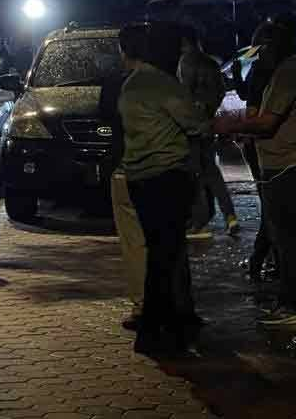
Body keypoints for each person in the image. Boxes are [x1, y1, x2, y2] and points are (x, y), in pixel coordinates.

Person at [214, 18, 296, 326]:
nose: (258, 58)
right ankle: (288, 300)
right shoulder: (284, 71)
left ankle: (293, 306)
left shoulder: (289, 73)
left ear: (273, 47)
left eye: (261, 52)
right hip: (280, 162)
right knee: (281, 233)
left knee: (284, 236)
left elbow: (267, 122)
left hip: (287, 163)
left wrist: (228, 124)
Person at [119, 23, 209, 354]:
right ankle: (157, 331)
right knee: (166, 254)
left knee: (159, 251)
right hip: (167, 177)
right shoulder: (163, 84)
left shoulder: (130, 86)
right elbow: (195, 123)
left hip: (138, 177)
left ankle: (160, 325)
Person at [100, 25, 148, 331]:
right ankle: (169, 302)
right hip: (161, 170)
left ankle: (143, 305)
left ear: (122, 50)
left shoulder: (117, 83)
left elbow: (106, 115)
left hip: (125, 167)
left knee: (133, 241)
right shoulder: (164, 82)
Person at [178, 26, 237, 237]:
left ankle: (199, 222)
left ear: (185, 41)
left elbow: (184, 94)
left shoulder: (185, 62)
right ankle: (230, 216)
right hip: (208, 124)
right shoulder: (211, 63)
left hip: (192, 127)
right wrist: (209, 110)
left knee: (195, 174)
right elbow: (220, 91)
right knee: (212, 172)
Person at [232, 21, 279, 281]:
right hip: (266, 143)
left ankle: (261, 259)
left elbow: (250, 102)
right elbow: (245, 92)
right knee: (271, 205)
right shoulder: (271, 70)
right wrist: (238, 74)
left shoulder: (264, 69)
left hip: (261, 143)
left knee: (270, 205)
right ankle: (267, 258)